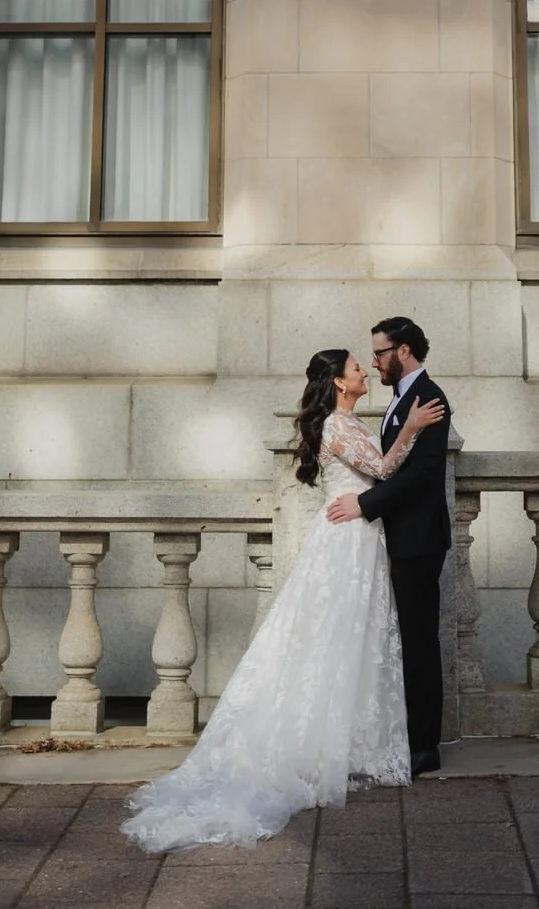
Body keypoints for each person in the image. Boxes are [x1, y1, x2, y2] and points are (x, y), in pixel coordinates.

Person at [121, 347, 444, 853]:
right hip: (347, 542)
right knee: (331, 639)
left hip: (360, 539)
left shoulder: (348, 421)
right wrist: (412, 428)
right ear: (340, 383)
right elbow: (383, 470)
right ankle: (317, 748)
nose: (364, 372)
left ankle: (349, 742)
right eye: (356, 367)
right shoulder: (339, 426)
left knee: (352, 641)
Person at [326, 316, 451, 777]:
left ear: (402, 351)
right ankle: (403, 737)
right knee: (402, 642)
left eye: (379, 353)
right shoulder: (403, 399)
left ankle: (424, 747)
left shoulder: (429, 397)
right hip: (399, 537)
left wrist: (364, 503)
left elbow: (419, 476)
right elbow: (390, 464)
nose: (374, 362)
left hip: (418, 541)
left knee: (419, 643)